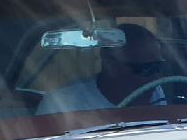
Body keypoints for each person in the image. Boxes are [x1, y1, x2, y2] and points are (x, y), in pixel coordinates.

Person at [35, 24, 172, 114]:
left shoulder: (154, 91)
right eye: (145, 69)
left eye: (158, 67)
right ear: (110, 64)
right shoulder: (61, 105)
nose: (155, 78)